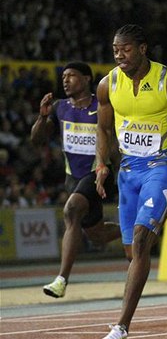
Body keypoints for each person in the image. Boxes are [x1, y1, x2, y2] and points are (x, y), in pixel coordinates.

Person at [95, 24, 167, 339]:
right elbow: (102, 128)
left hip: (159, 166)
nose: (119, 55)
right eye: (115, 49)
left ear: (142, 48)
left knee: (143, 242)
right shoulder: (107, 85)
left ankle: (121, 328)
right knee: (132, 255)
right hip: (127, 172)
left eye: (125, 49)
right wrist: (102, 163)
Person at [31, 61, 121, 299]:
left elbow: (112, 145)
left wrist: (121, 176)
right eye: (63, 77)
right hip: (74, 178)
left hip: (99, 172)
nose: (65, 80)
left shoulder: (101, 105)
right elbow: (37, 139)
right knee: (97, 235)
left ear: (87, 78)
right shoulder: (59, 107)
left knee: (71, 211)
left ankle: (61, 279)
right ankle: (133, 229)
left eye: (71, 76)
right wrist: (42, 117)